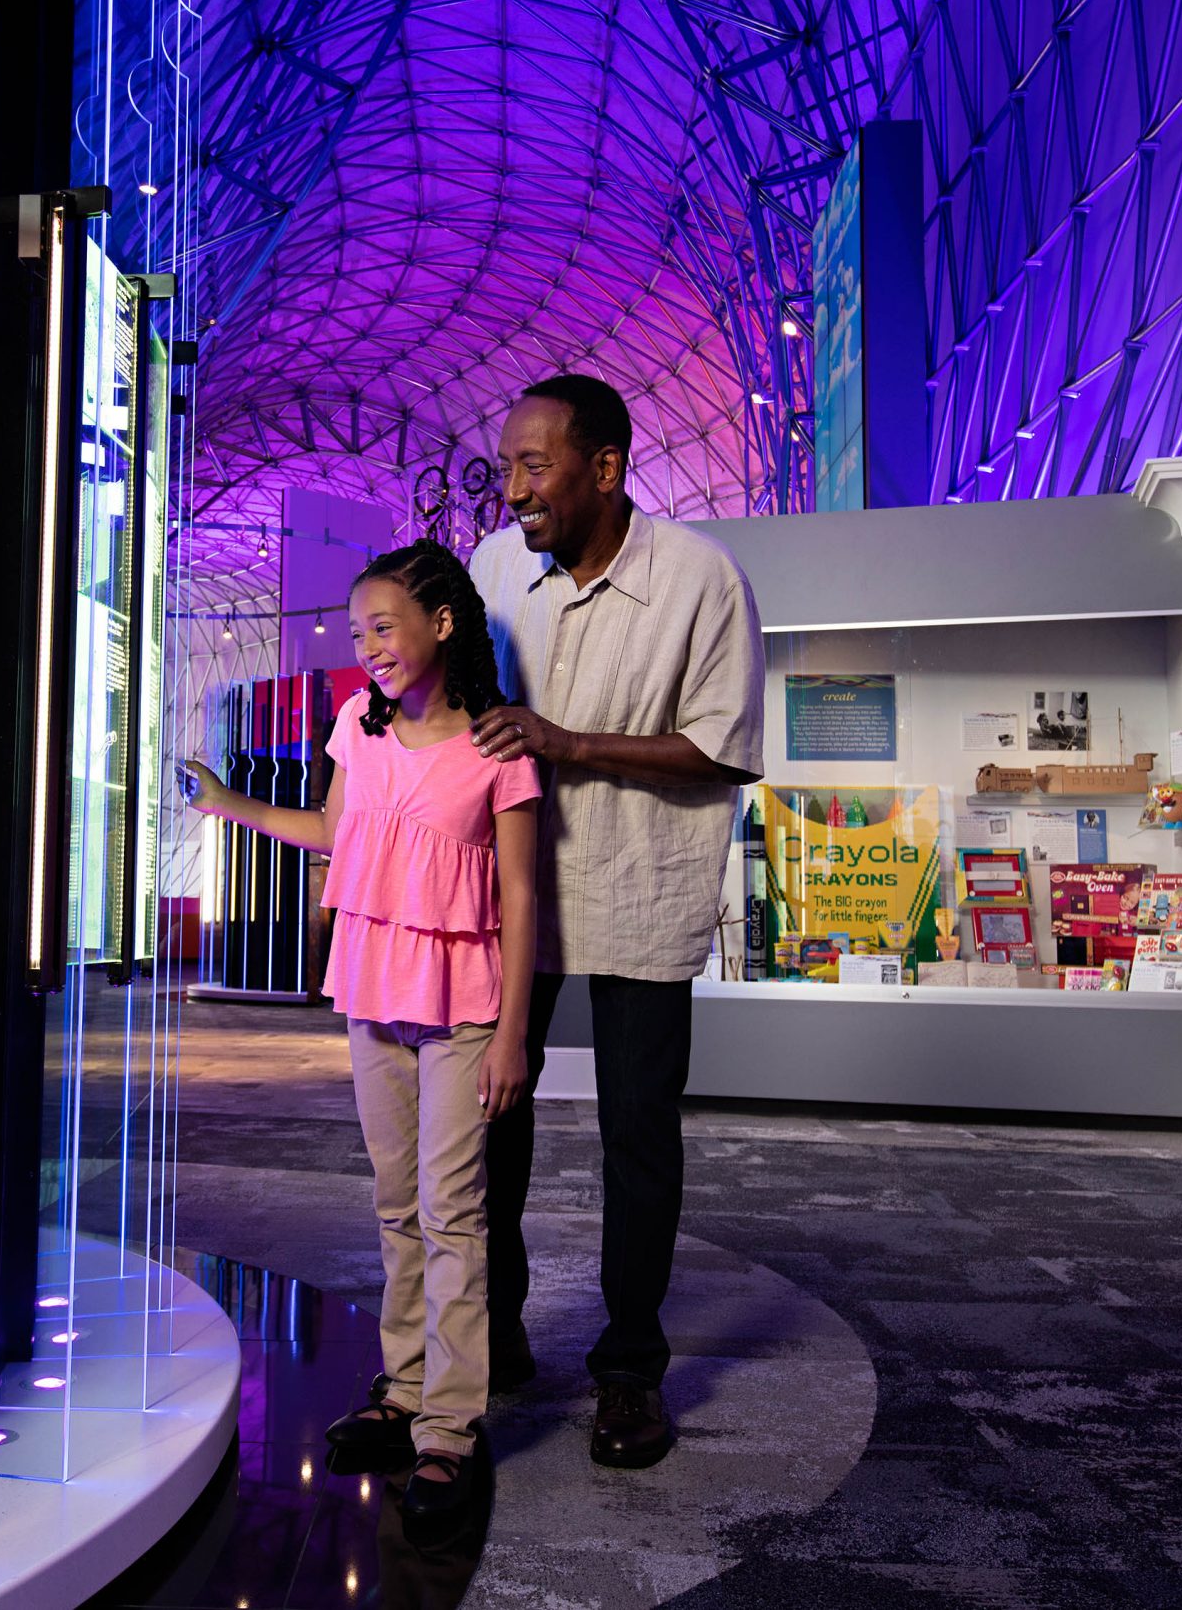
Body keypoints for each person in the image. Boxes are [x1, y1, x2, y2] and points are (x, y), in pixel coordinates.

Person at [179, 540, 540, 1518]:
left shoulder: (494, 751)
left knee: (451, 1210)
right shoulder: (356, 724)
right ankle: (408, 1387)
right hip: (374, 991)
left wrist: (512, 1037)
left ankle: (449, 1431)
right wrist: (230, 805)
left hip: (464, 1008)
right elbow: (336, 834)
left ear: (443, 624)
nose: (368, 646)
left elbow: (519, 891)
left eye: (384, 626)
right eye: (357, 631)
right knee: (393, 1200)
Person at [466, 374, 763, 1470]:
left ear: (604, 467)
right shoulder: (495, 569)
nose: (514, 490)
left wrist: (570, 742)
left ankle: (629, 1374)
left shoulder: (699, 578)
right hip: (512, 893)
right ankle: (490, 1340)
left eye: (533, 467)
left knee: (637, 1133)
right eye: (504, 468)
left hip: (643, 889)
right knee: (491, 1120)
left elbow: (724, 745)